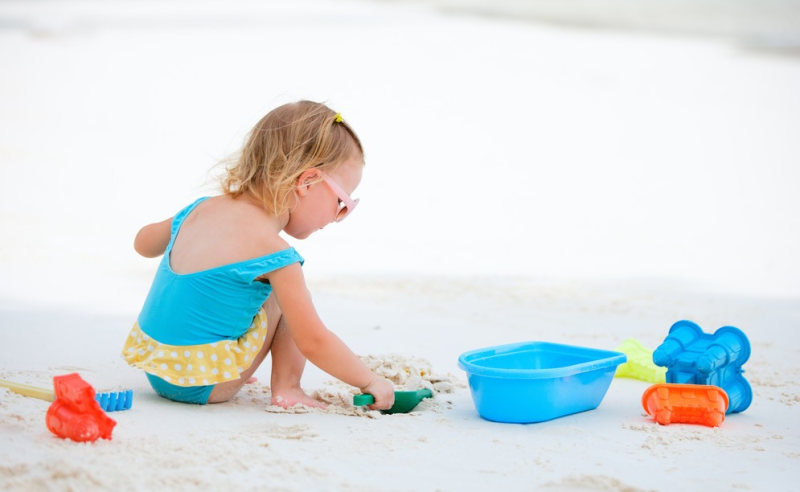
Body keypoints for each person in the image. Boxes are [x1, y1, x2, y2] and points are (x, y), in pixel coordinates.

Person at [121, 100, 395, 410]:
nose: (338, 217)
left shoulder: (198, 209)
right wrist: (370, 381)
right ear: (307, 182)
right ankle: (287, 388)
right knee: (285, 295)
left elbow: (142, 244)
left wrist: (180, 232)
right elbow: (313, 340)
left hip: (157, 369)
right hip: (204, 385)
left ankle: (219, 356)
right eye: (342, 203)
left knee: (243, 284)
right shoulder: (274, 252)